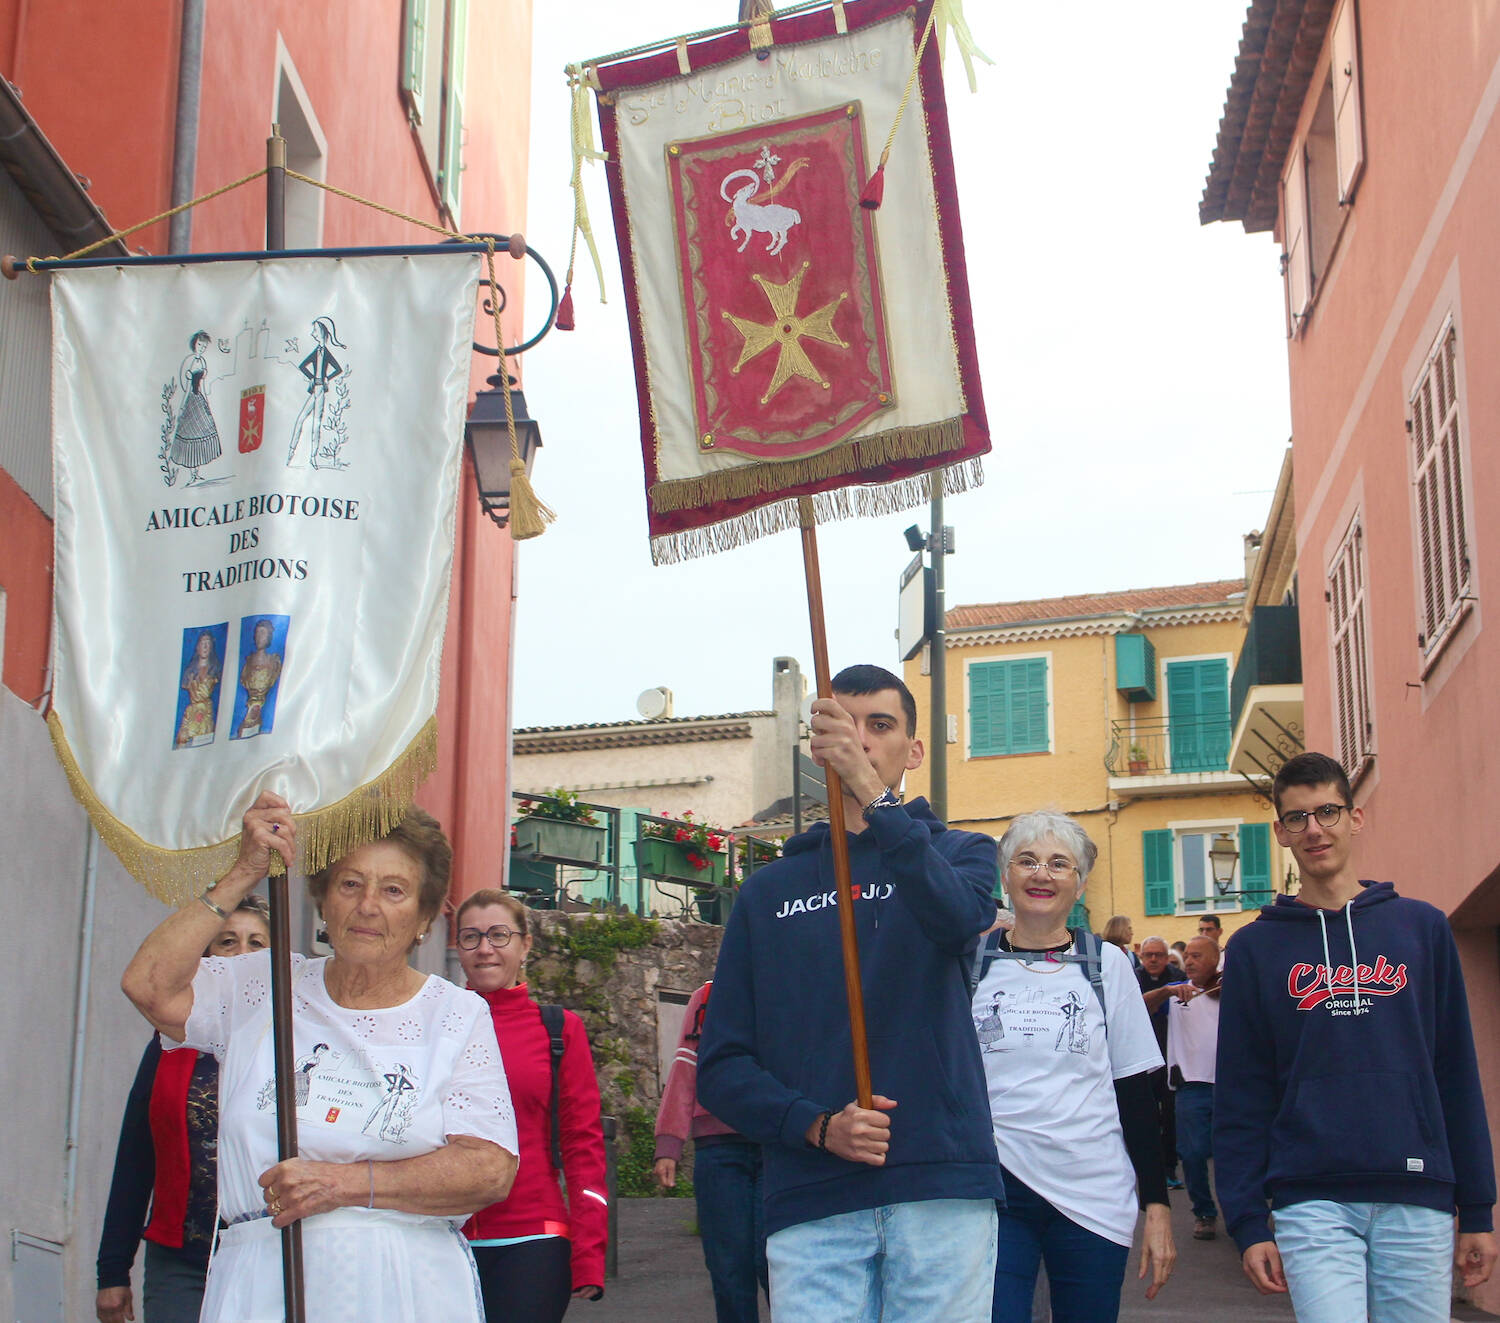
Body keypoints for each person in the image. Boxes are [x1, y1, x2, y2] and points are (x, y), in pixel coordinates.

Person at [121, 791, 519, 1322]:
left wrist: (342, 1184)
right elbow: (147, 986)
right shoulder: (262, 986)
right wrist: (243, 872)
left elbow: (490, 1169)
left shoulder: (454, 1014)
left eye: (394, 889)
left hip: (402, 1286)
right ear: (324, 900)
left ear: (425, 915)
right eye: (351, 884)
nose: (368, 905)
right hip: (262, 1279)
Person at [697, 664, 1002, 1321]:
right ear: (816, 743)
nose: (859, 740)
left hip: (941, 1187)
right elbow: (720, 1067)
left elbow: (955, 921)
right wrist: (815, 1123)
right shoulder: (767, 891)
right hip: (812, 1197)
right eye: (843, 724)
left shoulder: (965, 852)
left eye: (880, 725)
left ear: (913, 750)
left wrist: (874, 796)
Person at [1215, 751, 1497, 1321]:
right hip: (1310, 1197)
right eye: (1297, 818)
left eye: (1327, 811)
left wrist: (1479, 1208)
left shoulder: (1422, 928)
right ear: (1281, 832)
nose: (1314, 829)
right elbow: (1241, 1092)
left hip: (1418, 1194)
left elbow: (1456, 1072)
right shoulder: (1254, 949)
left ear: (1355, 817)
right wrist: (1246, 1220)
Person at [974, 811, 1174, 1322]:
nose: (1042, 874)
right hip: (994, 1192)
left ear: (1079, 883)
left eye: (1059, 864)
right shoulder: (971, 965)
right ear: (1006, 876)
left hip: (1091, 1192)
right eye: (1027, 861)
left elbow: (1135, 1092)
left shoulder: (1108, 966)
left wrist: (1157, 1206)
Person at [96, 896, 271, 1323]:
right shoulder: (169, 1043)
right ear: (206, 956)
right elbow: (137, 1156)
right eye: (227, 942)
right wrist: (112, 1270)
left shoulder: (291, 1045)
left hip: (268, 1256)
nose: (242, 954)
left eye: (256, 943)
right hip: (181, 1261)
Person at [456, 888, 607, 1321]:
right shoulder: (432, 1023)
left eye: (499, 935)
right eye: (471, 937)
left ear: (525, 945)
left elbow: (583, 1145)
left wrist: (589, 1254)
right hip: (442, 1235)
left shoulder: (558, 1030)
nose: (485, 949)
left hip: (532, 1238)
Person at [654, 981, 768, 1323]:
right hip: (718, 1149)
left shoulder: (790, 984)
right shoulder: (705, 997)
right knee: (728, 1269)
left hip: (778, 1144)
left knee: (778, 1263)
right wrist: (668, 1143)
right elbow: (685, 1067)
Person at [1166, 936, 1221, 1241]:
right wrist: (1165, 991)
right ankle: (1204, 1211)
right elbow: (1140, 1006)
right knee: (1193, 1153)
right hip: (1191, 1084)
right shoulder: (1178, 995)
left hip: (1229, 1084)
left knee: (1235, 1154)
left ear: (1216, 960)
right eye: (1187, 956)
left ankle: (1245, 1209)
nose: (1189, 961)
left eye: (1198, 956)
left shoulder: (1231, 991)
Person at [1135, 935, 1187, 1192]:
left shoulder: (1178, 976)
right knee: (1146, 1117)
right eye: (1148, 955)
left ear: (1167, 957)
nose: (1153, 959)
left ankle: (1169, 1168)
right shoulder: (1133, 978)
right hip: (1141, 1057)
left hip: (1171, 1057)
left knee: (1170, 1116)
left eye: (1158, 955)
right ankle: (1146, 1171)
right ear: (1141, 956)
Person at [170, 330, 222, 485]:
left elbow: (202, 385)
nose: (201, 348)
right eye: (200, 344)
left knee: (201, 434)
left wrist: (207, 401)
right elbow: (186, 387)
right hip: (190, 401)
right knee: (191, 435)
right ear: (194, 343)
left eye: (204, 346)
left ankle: (196, 473)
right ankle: (192, 475)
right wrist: (181, 408)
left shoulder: (203, 362)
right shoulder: (189, 361)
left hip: (199, 399)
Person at [234, 619, 283, 739]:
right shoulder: (248, 662)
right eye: (257, 633)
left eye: (263, 633)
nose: (259, 637)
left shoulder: (274, 662)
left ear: (269, 636)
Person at [176, 631, 222, 748]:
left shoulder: (215, 670)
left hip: (206, 713)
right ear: (198, 646)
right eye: (203, 643)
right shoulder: (189, 672)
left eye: (208, 643)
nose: (205, 646)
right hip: (191, 715)